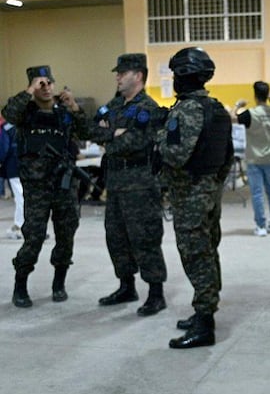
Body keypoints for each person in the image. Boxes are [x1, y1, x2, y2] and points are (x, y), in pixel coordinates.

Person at [158, 47, 233, 348]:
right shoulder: (216, 109)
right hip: (210, 193)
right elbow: (227, 156)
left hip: (190, 196)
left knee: (195, 256)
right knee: (208, 251)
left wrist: (157, 141)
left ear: (183, 77)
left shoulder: (187, 110)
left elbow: (175, 155)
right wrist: (212, 184)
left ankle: (204, 325)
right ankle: (204, 310)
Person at [2, 65, 89, 308]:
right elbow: (8, 113)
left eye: (49, 82)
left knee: (66, 237)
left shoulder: (63, 112)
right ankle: (21, 286)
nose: (47, 87)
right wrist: (29, 90)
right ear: (32, 86)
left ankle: (58, 283)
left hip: (64, 186)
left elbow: (87, 130)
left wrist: (75, 107)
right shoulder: (25, 113)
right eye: (41, 83)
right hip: (36, 188)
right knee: (34, 238)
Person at [91, 54, 168, 316]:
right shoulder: (115, 104)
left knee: (145, 238)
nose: (117, 77)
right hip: (115, 184)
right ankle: (126, 286)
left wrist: (111, 136)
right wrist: (114, 133)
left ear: (138, 75)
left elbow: (133, 143)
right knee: (116, 237)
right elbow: (94, 130)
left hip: (140, 185)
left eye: (122, 73)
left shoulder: (148, 107)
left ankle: (156, 293)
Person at [233, 81, 270, 236]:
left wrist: (238, 104)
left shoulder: (250, 114)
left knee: (257, 193)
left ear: (255, 96)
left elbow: (230, 117)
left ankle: (261, 226)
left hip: (254, 160)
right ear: (267, 95)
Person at [1, 119, 24, 240]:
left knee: (20, 196)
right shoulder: (25, 125)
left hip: (13, 167)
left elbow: (4, 148)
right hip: (28, 167)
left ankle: (19, 225)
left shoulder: (6, 128)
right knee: (25, 196)